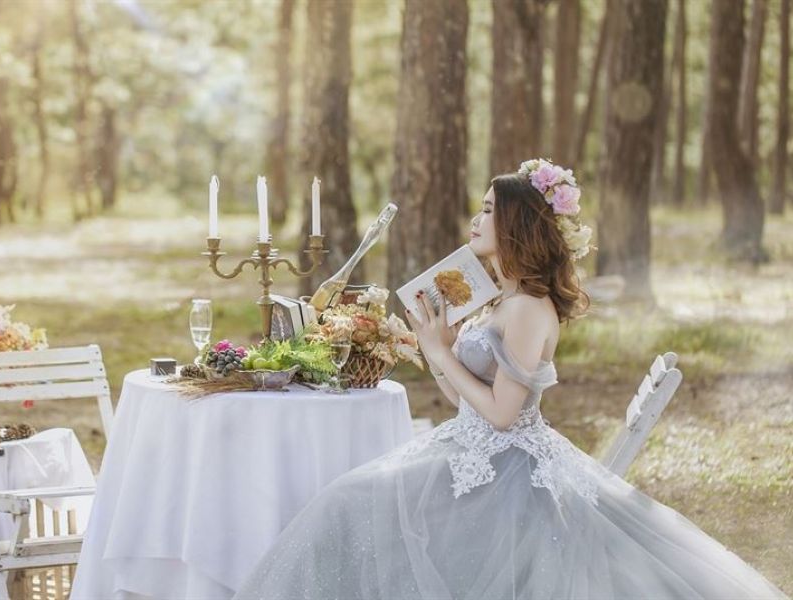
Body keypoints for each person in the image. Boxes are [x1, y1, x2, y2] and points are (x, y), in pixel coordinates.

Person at [232, 159, 789, 599]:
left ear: (516, 224)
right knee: (349, 499)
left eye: (487, 209)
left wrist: (437, 353)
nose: (475, 220)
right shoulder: (504, 297)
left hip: (504, 471)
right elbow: (466, 402)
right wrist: (441, 350)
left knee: (350, 501)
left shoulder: (526, 309)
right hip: (472, 448)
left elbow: (503, 416)